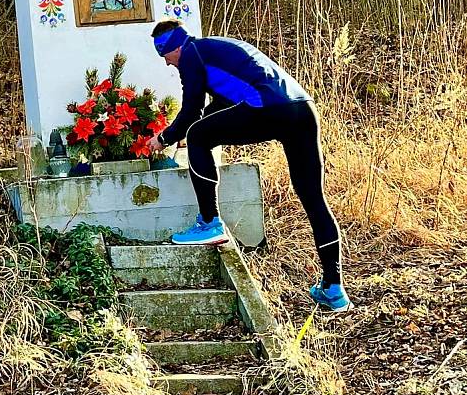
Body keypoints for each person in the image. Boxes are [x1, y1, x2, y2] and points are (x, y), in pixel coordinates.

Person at [146, 19, 351, 312]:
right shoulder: (215, 50)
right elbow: (220, 106)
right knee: (314, 200)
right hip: (302, 110)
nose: (167, 64)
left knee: (197, 135)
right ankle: (333, 287)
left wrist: (164, 138)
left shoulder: (191, 54)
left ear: (173, 46)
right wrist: (190, 129)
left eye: (164, 56)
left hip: (268, 108)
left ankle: (209, 222)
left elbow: (192, 109)